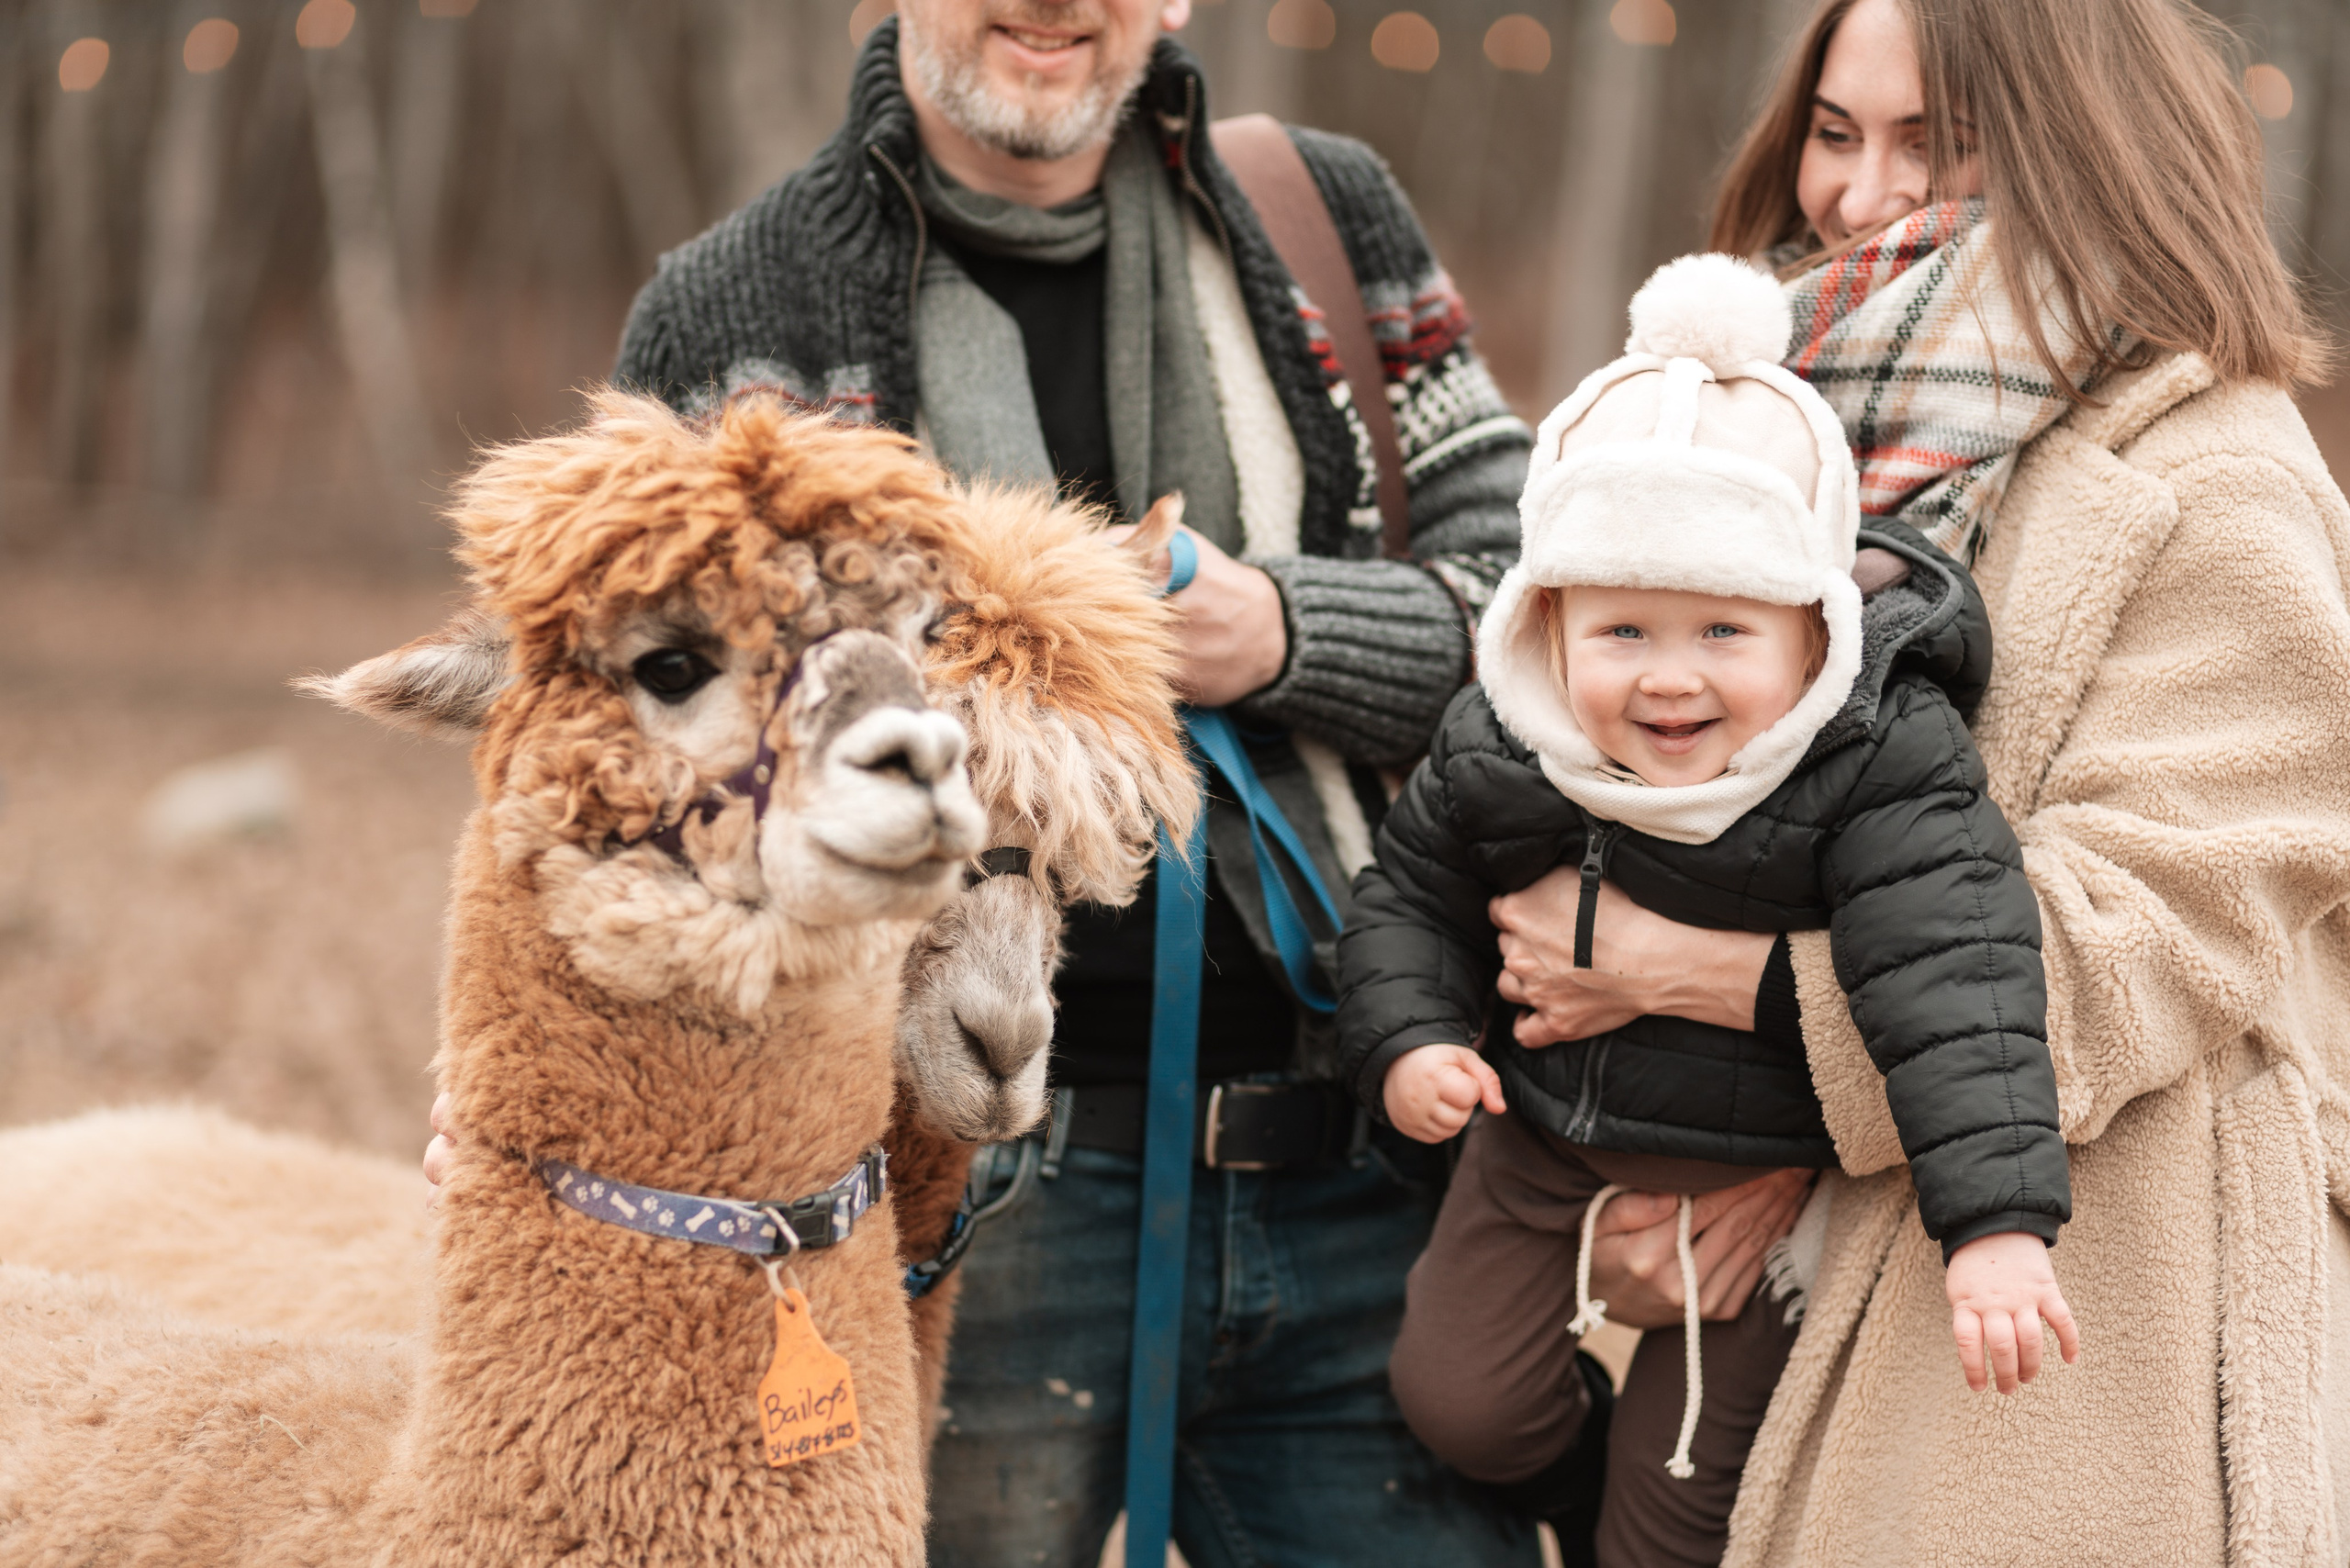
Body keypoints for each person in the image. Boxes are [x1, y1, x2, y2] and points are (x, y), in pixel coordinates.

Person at [562, 0, 1562, 1562]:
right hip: (954, 1180)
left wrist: (1282, 631)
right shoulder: (728, 313)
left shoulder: (1324, 223)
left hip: (1356, 1153)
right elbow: (631, 753)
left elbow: (1548, 614)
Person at [1511, 0, 2350, 1561]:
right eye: (1836, 133)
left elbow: (2144, 943)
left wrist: (1712, 984)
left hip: (2062, 1352)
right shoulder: (1758, 450)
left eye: (1938, 143)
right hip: (1747, 1269)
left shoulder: (2217, 483)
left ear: (2088, 150)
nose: (1862, 191)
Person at [1335, 252, 2077, 1568]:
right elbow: (1407, 895)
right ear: (1549, 622)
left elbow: (1958, 982)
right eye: (1623, 632)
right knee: (1461, 1407)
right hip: (1542, 1134)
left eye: (1724, 634)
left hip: (1754, 1174)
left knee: (1676, 1516)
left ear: (1814, 626)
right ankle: (1574, 1476)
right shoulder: (1511, 740)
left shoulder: (1877, 758)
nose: (1669, 683)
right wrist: (1411, 1041)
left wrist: (1997, 1230)